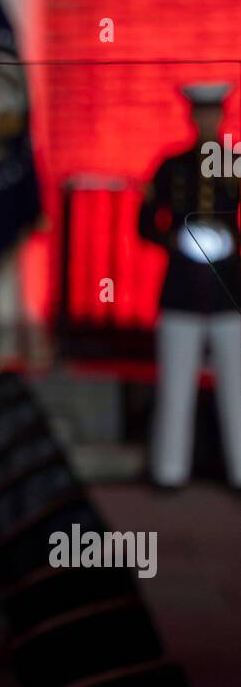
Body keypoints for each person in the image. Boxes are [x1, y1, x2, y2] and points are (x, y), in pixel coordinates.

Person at [138, 81, 241, 489]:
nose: (206, 120)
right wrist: (175, 239)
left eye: (212, 113)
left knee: (236, 388)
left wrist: (230, 243)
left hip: (229, 292)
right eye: (200, 113)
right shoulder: (170, 165)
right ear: (191, 116)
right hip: (180, 291)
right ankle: (169, 472)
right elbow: (144, 223)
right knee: (175, 386)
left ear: (222, 116)